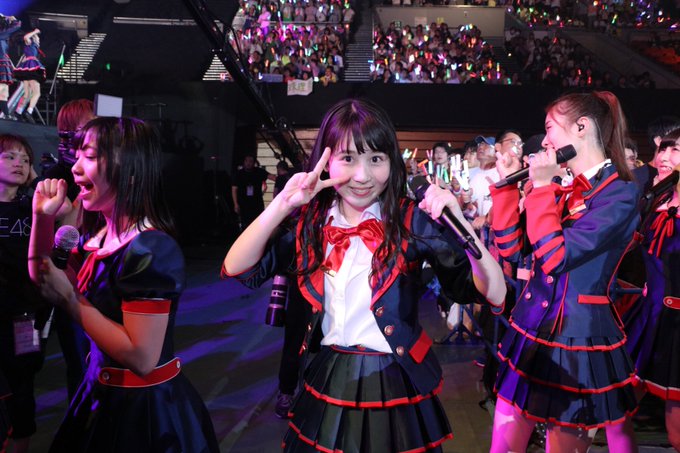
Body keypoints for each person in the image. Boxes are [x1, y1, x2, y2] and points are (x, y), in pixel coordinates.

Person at [223, 98, 506, 452]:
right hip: (329, 377)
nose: (362, 176)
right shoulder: (312, 223)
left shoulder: (410, 220)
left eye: (376, 159)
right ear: (326, 161)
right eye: (348, 158)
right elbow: (237, 267)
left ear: (391, 160)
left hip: (395, 380)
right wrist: (282, 204)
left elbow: (494, 292)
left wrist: (460, 223)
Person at [27, 117, 219, 452]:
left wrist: (71, 299)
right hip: (99, 395)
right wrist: (41, 218)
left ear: (130, 170)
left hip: (144, 413)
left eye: (90, 156)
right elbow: (45, 278)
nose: (75, 168)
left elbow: (142, 358)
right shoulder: (98, 235)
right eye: (77, 156)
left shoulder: (151, 249)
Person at [489, 91, 640, 453]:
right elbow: (512, 250)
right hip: (531, 328)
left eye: (550, 128)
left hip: (579, 338)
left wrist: (542, 187)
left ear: (581, 127)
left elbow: (557, 257)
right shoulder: (560, 187)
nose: (545, 141)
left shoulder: (619, 193)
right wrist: (508, 186)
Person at [0, 134, 61, 453]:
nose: (19, 164)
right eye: (9, 157)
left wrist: (35, 178)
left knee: (23, 385)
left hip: (25, 315)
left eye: (25, 159)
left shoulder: (32, 206)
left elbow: (67, 211)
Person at [624, 129, 680, 450]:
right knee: (616, 406)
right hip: (648, 318)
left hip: (675, 328)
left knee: (676, 432)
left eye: (675, 150)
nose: (664, 157)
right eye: (663, 150)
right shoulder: (656, 199)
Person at [231, 154, 275, 229]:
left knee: (258, 224)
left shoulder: (259, 171)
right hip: (244, 204)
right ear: (244, 162)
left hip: (257, 204)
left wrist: (283, 178)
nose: (248, 163)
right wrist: (235, 204)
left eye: (250, 161)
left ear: (254, 163)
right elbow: (234, 189)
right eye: (246, 161)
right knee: (245, 225)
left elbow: (272, 177)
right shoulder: (239, 174)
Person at [13, 29, 45, 124]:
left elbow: (24, 59)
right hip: (31, 69)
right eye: (37, 38)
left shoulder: (33, 47)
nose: (39, 40)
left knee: (27, 94)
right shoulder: (30, 43)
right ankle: (29, 111)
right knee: (37, 93)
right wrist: (35, 32)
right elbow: (26, 37)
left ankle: (18, 111)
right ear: (34, 38)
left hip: (27, 70)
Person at [0, 15, 21, 120]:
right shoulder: (1, 33)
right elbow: (16, 25)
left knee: (4, 92)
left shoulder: (2, 35)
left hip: (3, 63)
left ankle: (6, 115)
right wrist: (13, 18)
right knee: (1, 90)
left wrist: (11, 65)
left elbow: (4, 52)